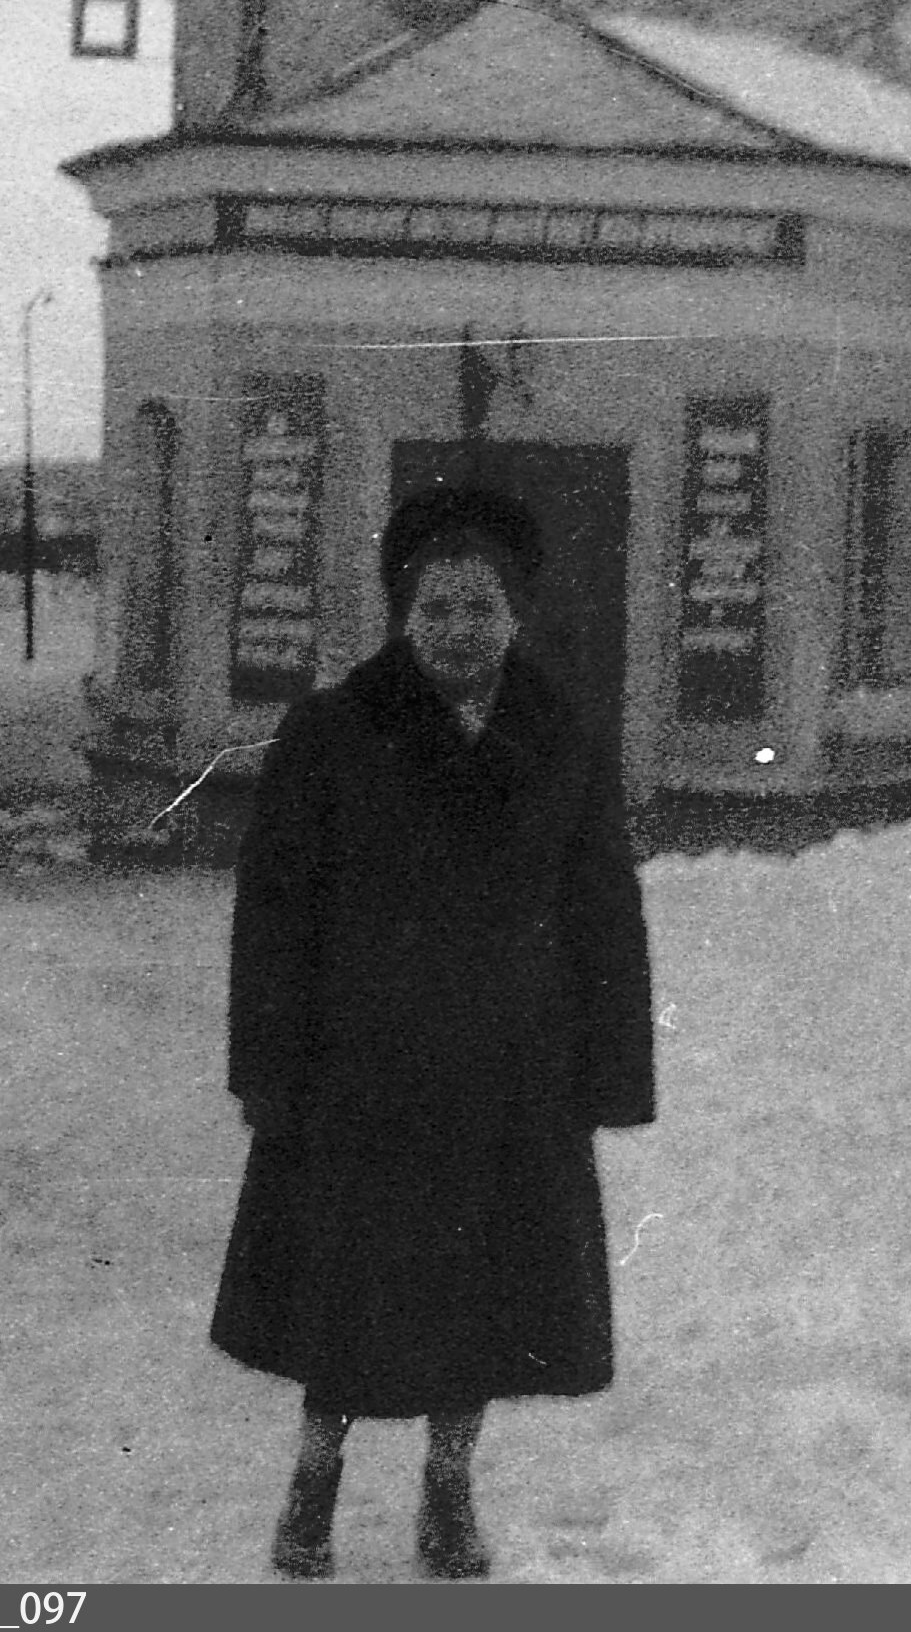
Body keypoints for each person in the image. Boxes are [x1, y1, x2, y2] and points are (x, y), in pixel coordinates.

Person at [209, 483, 656, 1581]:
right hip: (364, 1069)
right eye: (437, 608)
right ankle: (315, 1475)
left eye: (480, 608)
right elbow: (275, 912)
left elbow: (603, 907)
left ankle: (449, 1486)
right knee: (346, 1296)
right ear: (404, 617)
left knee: (481, 1302)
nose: (460, 630)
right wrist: (267, 1064)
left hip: (511, 1070)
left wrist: (610, 1067)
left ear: (517, 615)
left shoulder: (561, 738)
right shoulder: (332, 731)